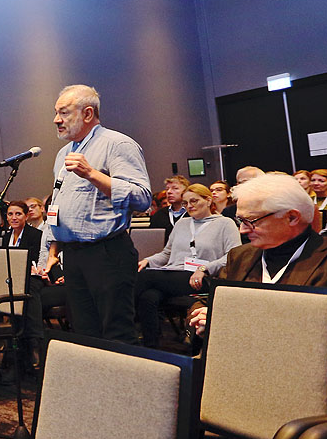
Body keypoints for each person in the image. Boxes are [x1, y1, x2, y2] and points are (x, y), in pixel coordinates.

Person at [190, 173, 327, 359]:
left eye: (251, 221)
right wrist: (203, 317)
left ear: (292, 217)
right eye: (240, 220)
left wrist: (235, 323)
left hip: (302, 372)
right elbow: (211, 302)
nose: (242, 230)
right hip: (237, 360)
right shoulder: (241, 256)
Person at [46, 84, 151, 344]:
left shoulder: (117, 144)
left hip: (107, 254)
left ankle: (127, 385)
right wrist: (51, 252)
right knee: (84, 334)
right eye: (56, 113)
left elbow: (142, 198)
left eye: (64, 113)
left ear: (88, 113)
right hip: (73, 255)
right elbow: (59, 204)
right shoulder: (63, 154)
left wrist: (92, 174)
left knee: (117, 333)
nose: (56, 120)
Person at [132, 184, 240, 346]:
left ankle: (120, 327)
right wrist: (148, 261)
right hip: (173, 276)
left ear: (208, 200)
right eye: (185, 203)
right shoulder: (182, 224)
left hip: (203, 278)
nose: (189, 206)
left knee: (145, 277)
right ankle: (151, 348)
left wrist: (204, 268)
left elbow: (233, 256)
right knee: (149, 297)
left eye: (194, 201)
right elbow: (166, 254)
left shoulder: (225, 223)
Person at [150, 176, 190, 242]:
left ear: (185, 192)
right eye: (167, 189)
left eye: (175, 188)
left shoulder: (192, 213)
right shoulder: (159, 215)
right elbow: (151, 240)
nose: (169, 192)